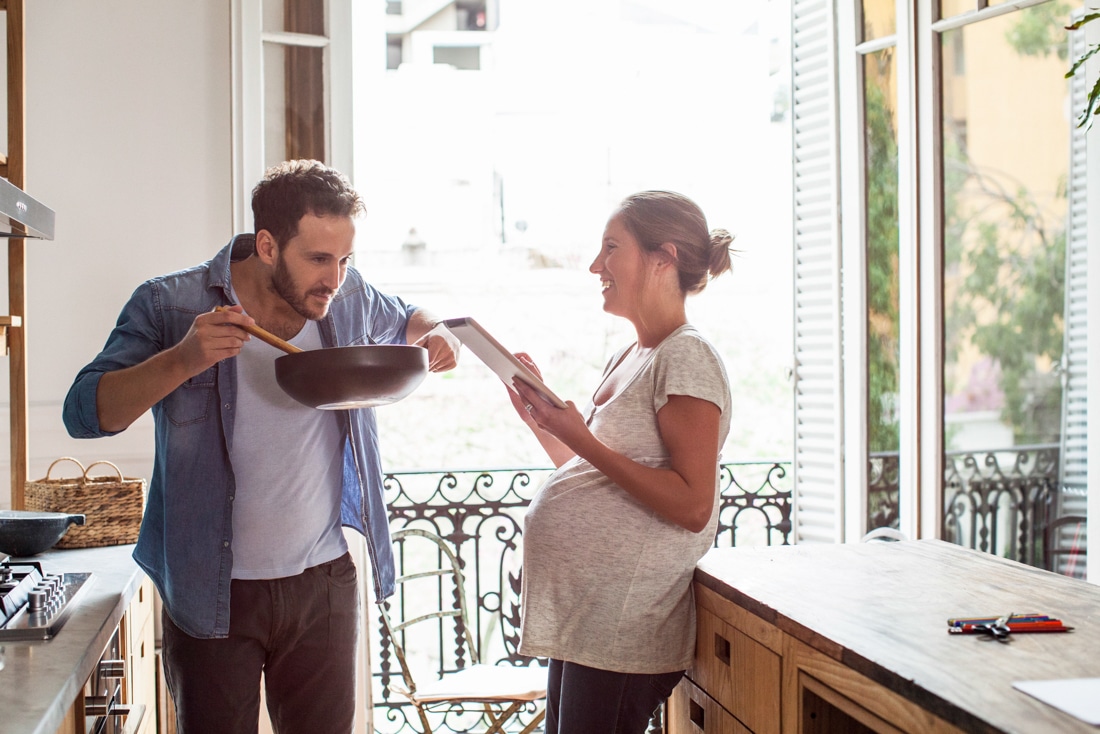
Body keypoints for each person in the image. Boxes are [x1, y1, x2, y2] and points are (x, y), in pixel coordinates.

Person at [62, 159, 460, 734]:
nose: (336, 278)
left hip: (322, 583)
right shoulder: (170, 305)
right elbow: (84, 414)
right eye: (319, 259)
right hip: (210, 590)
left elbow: (403, 315)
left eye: (346, 260)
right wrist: (182, 359)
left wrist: (436, 329)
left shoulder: (341, 301)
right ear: (268, 246)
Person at [508, 190, 734, 733]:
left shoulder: (687, 356)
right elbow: (592, 472)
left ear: (664, 257)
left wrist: (581, 438)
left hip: (624, 628)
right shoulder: (632, 354)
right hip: (588, 622)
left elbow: (692, 504)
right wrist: (543, 422)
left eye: (611, 248)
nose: (595, 266)